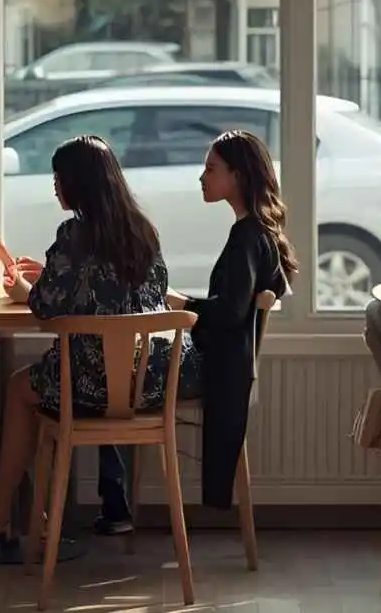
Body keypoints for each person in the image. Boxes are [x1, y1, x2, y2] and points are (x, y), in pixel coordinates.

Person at [0, 135, 193, 549]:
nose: (55, 186)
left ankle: (2, 516)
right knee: (49, 379)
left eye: (58, 177)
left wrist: (25, 288)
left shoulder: (74, 235)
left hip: (91, 387)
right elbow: (122, 292)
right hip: (148, 385)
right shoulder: (143, 232)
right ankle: (37, 516)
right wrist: (53, 273)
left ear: (78, 183)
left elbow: (44, 306)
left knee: (21, 387)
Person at [162, 131, 293, 515]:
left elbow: (231, 311)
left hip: (221, 368)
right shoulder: (260, 232)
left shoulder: (246, 236)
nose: (202, 177)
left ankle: (118, 511)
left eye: (211, 169)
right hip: (232, 364)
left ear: (237, 175)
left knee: (118, 381)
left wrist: (183, 304)